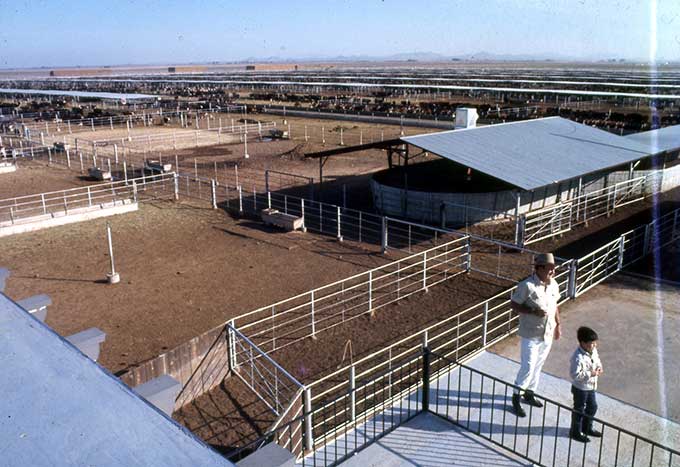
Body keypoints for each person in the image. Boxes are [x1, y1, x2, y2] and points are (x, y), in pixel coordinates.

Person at [510, 252, 561, 417]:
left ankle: (529, 393)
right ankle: (516, 396)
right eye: (549, 268)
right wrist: (532, 310)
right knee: (528, 366)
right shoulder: (526, 286)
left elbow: (555, 306)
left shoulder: (553, 285)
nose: (552, 271)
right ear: (539, 268)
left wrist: (558, 325)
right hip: (531, 334)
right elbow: (514, 304)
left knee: (538, 365)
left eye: (553, 268)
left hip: (547, 333)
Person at [569, 326, 603, 443]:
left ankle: (587, 427)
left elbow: (597, 360)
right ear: (582, 343)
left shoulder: (592, 351)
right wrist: (591, 373)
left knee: (592, 407)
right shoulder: (577, 357)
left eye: (594, 343)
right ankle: (575, 431)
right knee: (579, 410)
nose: (594, 346)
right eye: (591, 344)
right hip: (581, 388)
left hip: (591, 386)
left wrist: (599, 367)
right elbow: (575, 375)